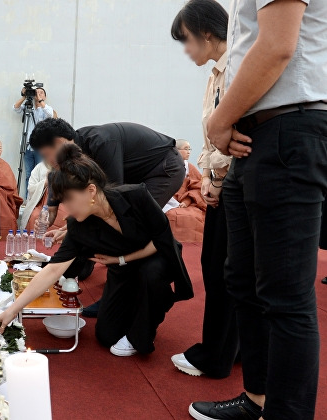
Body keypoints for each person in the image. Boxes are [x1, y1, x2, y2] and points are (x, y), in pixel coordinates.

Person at [189, 1, 327, 419]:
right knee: (243, 280)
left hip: (288, 127)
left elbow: (277, 46)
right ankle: (257, 400)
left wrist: (217, 121)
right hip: (255, 137)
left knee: (286, 294)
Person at [0, 143, 193, 357]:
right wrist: (13, 309)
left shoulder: (136, 196)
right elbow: (53, 270)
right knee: (106, 335)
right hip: (122, 271)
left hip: (156, 258)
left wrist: (122, 258)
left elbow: (161, 239)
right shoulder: (79, 226)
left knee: (150, 275)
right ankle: (139, 306)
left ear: (90, 190)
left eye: (69, 200)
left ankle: (146, 326)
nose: (67, 209)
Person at [30, 118, 186, 317]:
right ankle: (76, 267)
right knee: (89, 223)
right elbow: (57, 175)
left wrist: (72, 225)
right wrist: (51, 208)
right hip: (133, 173)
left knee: (126, 224)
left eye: (46, 155)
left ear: (59, 142)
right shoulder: (72, 148)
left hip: (163, 169)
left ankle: (120, 292)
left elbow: (112, 198)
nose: (47, 162)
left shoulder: (101, 143)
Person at [169, 0, 239, 381]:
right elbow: (212, 134)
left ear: (208, 34)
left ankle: (216, 354)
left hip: (233, 184)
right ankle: (232, 346)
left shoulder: (236, 67)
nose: (186, 50)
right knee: (219, 271)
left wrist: (215, 179)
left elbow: (230, 133)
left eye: (187, 40)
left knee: (224, 274)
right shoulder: (215, 73)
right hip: (222, 184)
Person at [13, 86, 57, 196]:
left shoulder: (47, 109)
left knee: (40, 174)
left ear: (45, 96)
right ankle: (28, 199)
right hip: (27, 147)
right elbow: (15, 108)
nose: (38, 94)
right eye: (36, 92)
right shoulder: (28, 108)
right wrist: (24, 96)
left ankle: (39, 200)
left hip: (41, 148)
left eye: (41, 92)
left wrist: (40, 101)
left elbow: (52, 116)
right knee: (28, 175)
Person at [163, 140, 207, 243]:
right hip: (165, 202)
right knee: (171, 216)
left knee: (195, 216)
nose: (189, 152)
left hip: (187, 203)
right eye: (186, 149)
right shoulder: (164, 166)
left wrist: (186, 201)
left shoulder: (189, 167)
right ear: (176, 150)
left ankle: (195, 247)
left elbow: (198, 187)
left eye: (189, 149)